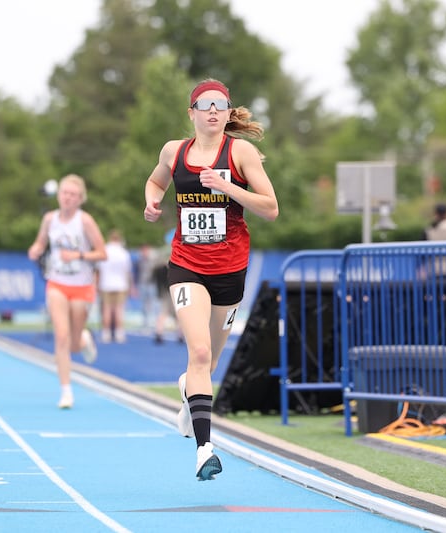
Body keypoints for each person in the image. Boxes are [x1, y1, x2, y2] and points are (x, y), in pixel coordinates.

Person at [143, 78, 279, 480]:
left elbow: (270, 207)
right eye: (206, 105)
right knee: (199, 352)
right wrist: (152, 202)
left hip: (230, 271)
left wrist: (228, 187)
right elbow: (156, 181)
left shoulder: (241, 152)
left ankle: (189, 389)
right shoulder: (175, 151)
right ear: (193, 113)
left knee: (210, 361)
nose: (214, 111)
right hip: (186, 265)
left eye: (221, 104)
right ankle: (205, 450)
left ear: (226, 112)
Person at [28, 174, 106, 409]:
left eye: (73, 195)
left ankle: (83, 338)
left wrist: (79, 255)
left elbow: (102, 253)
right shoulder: (50, 219)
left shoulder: (85, 222)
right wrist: (36, 248)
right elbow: (41, 243)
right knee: (61, 337)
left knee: (73, 343)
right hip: (57, 284)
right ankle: (66, 391)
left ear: (80, 198)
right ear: (59, 195)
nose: (68, 198)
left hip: (81, 286)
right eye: (64, 193)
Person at [97, 229, 133, 343]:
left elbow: (99, 270)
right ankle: (119, 333)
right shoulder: (123, 253)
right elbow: (127, 271)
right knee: (119, 310)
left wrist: (97, 284)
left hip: (106, 284)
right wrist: (130, 285)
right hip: (120, 284)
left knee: (107, 309)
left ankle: (106, 333)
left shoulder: (105, 250)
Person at [135, 243, 159, 328]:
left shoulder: (153, 259)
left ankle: (155, 322)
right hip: (143, 284)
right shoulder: (139, 260)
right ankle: (145, 323)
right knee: (144, 304)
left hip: (152, 283)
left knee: (154, 303)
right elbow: (137, 272)